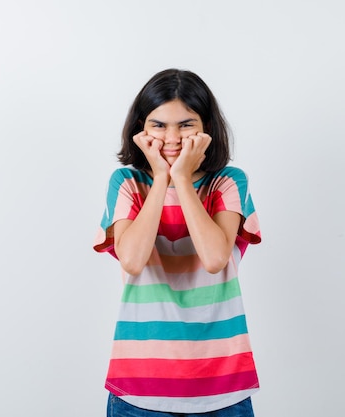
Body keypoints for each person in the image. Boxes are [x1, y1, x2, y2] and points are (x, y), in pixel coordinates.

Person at [94, 68, 262, 417]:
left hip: (222, 386)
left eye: (186, 124)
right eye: (159, 125)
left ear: (207, 127)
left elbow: (215, 258)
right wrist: (160, 179)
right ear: (141, 127)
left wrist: (182, 179)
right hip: (140, 386)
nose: (172, 137)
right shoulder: (126, 182)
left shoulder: (228, 182)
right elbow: (132, 260)